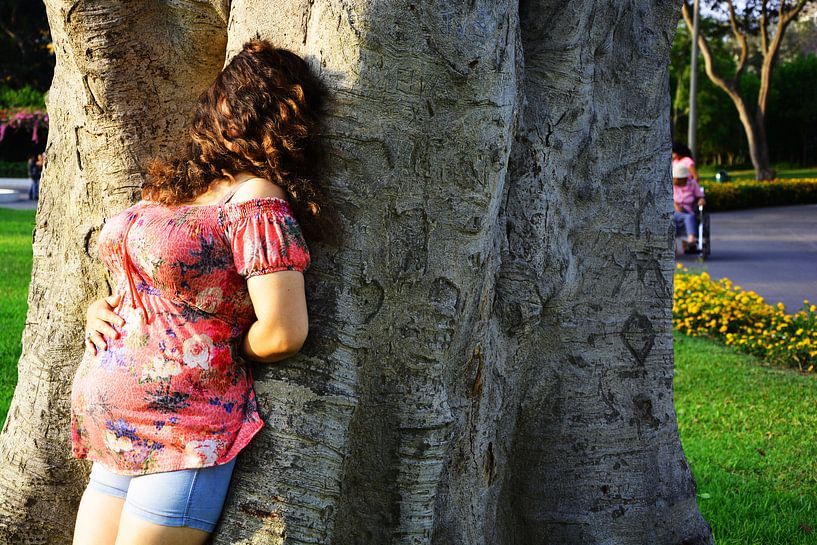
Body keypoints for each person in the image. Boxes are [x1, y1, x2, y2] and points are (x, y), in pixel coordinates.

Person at [70, 39, 330, 545]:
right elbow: (146, 281)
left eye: (255, 102)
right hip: (116, 436)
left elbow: (283, 331)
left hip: (185, 435)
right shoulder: (180, 186)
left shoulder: (256, 199)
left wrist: (208, 351)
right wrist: (99, 307)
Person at [673, 162, 705, 252]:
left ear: (683, 178)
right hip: (673, 211)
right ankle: (687, 239)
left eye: (676, 178)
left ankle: (691, 239)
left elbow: (700, 196)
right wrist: (674, 205)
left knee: (690, 216)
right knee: (671, 219)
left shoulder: (692, 184)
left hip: (688, 210)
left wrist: (701, 200)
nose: (674, 180)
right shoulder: (670, 185)